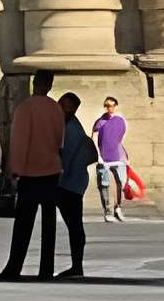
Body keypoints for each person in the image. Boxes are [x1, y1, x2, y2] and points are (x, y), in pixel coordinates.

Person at [0, 70, 69, 282]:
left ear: (34, 84)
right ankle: (46, 269)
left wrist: (15, 170)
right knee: (48, 224)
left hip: (29, 172)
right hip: (51, 170)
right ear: (49, 85)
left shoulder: (25, 108)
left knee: (23, 224)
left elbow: (20, 142)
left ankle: (14, 267)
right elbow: (59, 141)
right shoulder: (55, 108)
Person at [50, 91, 98, 278]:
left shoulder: (70, 129)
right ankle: (76, 265)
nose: (59, 108)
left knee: (74, 225)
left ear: (71, 108)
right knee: (74, 224)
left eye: (63, 105)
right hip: (71, 183)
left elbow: (64, 156)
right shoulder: (67, 125)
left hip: (70, 184)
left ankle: (77, 266)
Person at [92, 94, 130, 225]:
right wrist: (98, 156)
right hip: (104, 158)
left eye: (112, 105)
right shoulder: (100, 122)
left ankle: (117, 207)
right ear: (105, 107)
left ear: (116, 106)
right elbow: (94, 138)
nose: (110, 108)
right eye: (108, 105)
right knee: (104, 185)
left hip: (118, 158)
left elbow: (121, 139)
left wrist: (124, 155)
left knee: (121, 182)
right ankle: (107, 211)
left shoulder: (121, 121)